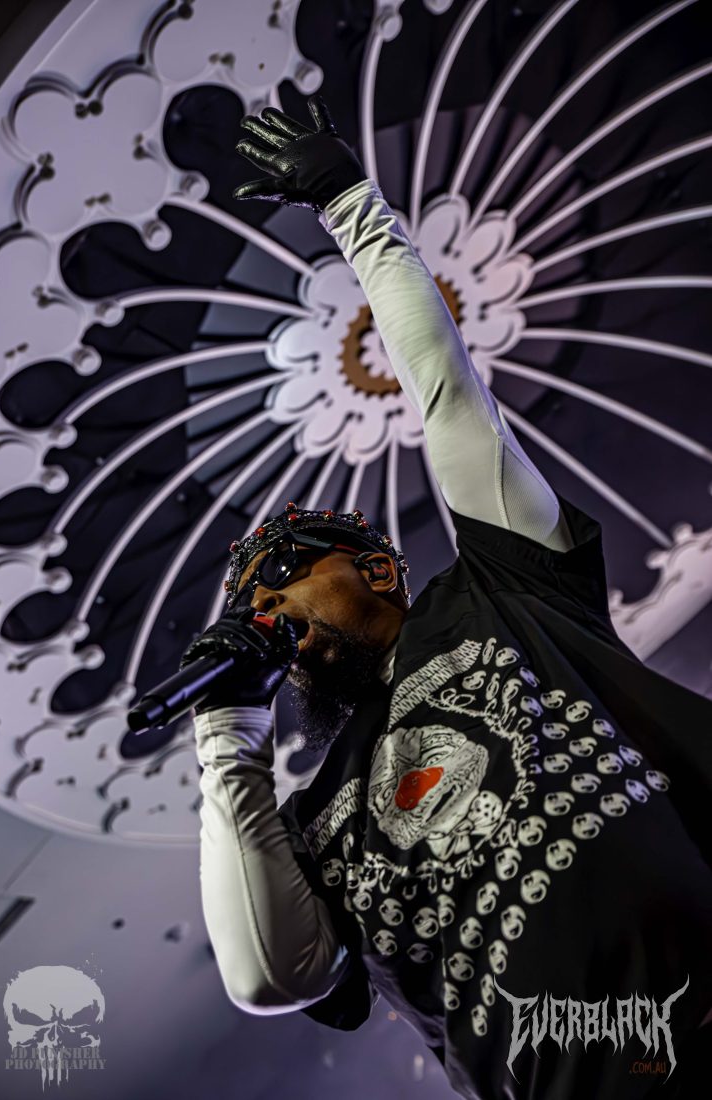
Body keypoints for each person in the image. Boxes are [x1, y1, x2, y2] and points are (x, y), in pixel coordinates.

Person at [182, 94, 712, 1099]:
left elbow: (446, 390)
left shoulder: (504, 587)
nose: (267, 609)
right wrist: (224, 732)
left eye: (283, 575)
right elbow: (268, 975)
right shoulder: (315, 824)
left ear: (375, 566)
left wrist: (350, 206)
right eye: (251, 606)